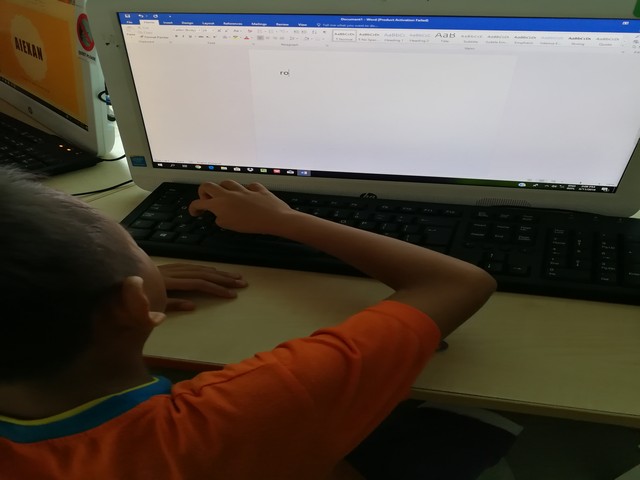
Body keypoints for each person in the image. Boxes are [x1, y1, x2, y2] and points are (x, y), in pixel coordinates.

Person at [0, 167, 498, 480]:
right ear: (130, 304)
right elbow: (458, 283)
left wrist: (103, 294)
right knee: (466, 423)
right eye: (136, 247)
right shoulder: (246, 410)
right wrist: (283, 219)